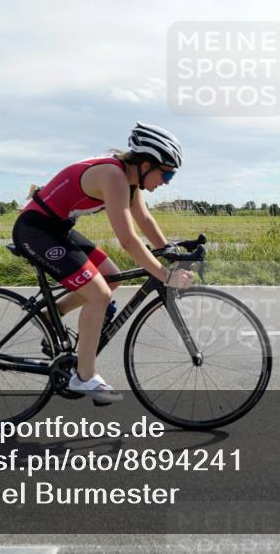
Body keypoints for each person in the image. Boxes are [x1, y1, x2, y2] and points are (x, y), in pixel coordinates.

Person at [12, 122, 194, 404]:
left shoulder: (131, 183)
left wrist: (169, 251)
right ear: (146, 164)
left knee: (112, 276)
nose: (166, 182)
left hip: (57, 228)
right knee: (99, 294)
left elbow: (144, 220)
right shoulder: (113, 176)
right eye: (166, 174)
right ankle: (84, 377)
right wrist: (164, 275)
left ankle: (50, 316)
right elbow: (129, 240)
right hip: (35, 230)